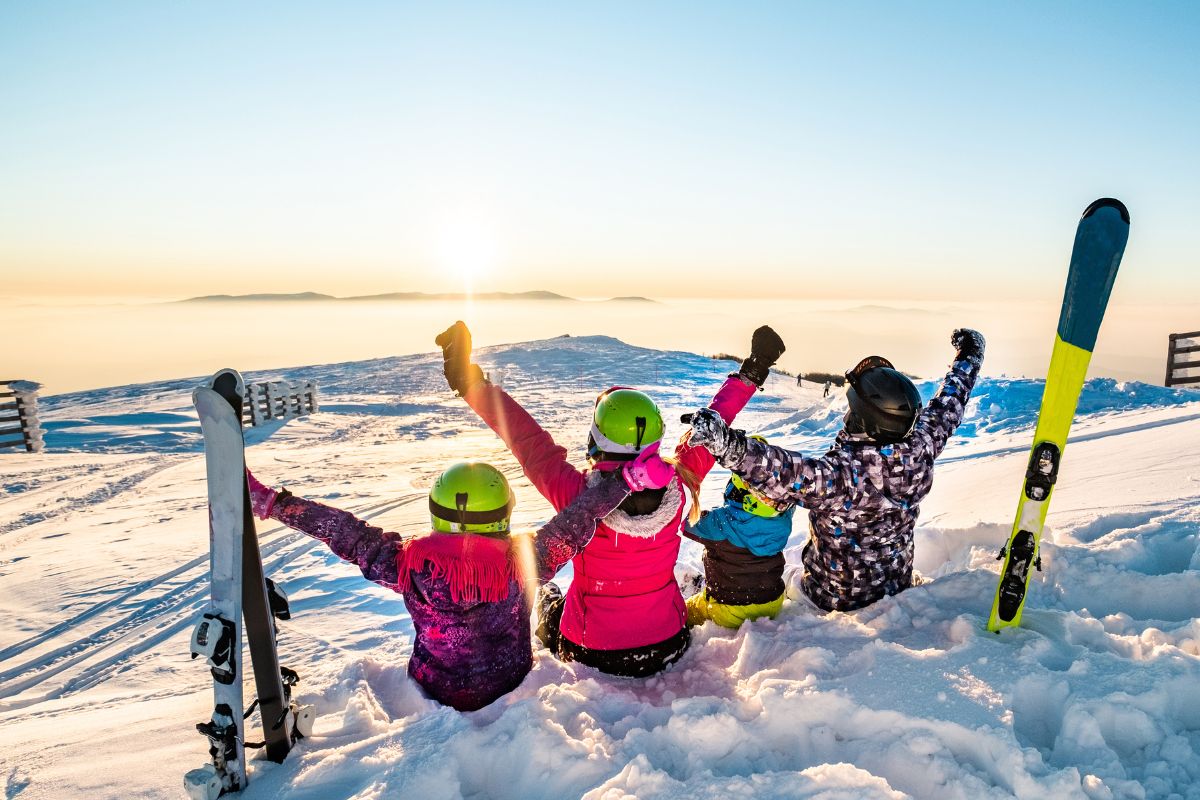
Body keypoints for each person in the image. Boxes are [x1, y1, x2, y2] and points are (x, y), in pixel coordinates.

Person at [436, 321, 785, 676]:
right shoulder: (679, 483)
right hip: (668, 641)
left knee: (549, 602)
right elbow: (714, 424)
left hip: (592, 649)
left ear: (597, 438)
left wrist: (470, 383)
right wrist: (753, 370)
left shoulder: (576, 496)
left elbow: (526, 439)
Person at [244, 445, 673, 711]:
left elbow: (345, 532)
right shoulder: (525, 562)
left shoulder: (407, 564)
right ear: (503, 514)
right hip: (510, 680)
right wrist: (626, 481)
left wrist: (276, 504)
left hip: (436, 689)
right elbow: (578, 520)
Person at [685, 328, 985, 612]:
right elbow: (949, 404)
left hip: (831, 598)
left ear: (863, 418)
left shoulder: (843, 476)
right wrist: (968, 357)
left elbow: (782, 471)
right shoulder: (921, 446)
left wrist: (725, 443)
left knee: (780, 583)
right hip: (896, 585)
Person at [682, 435, 797, 629]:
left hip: (729, 609)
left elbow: (685, 521)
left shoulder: (721, 523)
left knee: (687, 611)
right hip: (772, 602)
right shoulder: (782, 518)